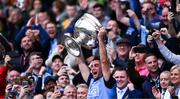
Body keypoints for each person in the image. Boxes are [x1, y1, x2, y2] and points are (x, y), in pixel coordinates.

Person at [76, 27, 116, 99]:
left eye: (96, 65)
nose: (93, 68)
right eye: (91, 66)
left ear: (102, 68)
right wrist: (76, 45)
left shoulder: (107, 80)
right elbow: (81, 63)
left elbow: (104, 61)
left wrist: (100, 39)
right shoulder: (91, 80)